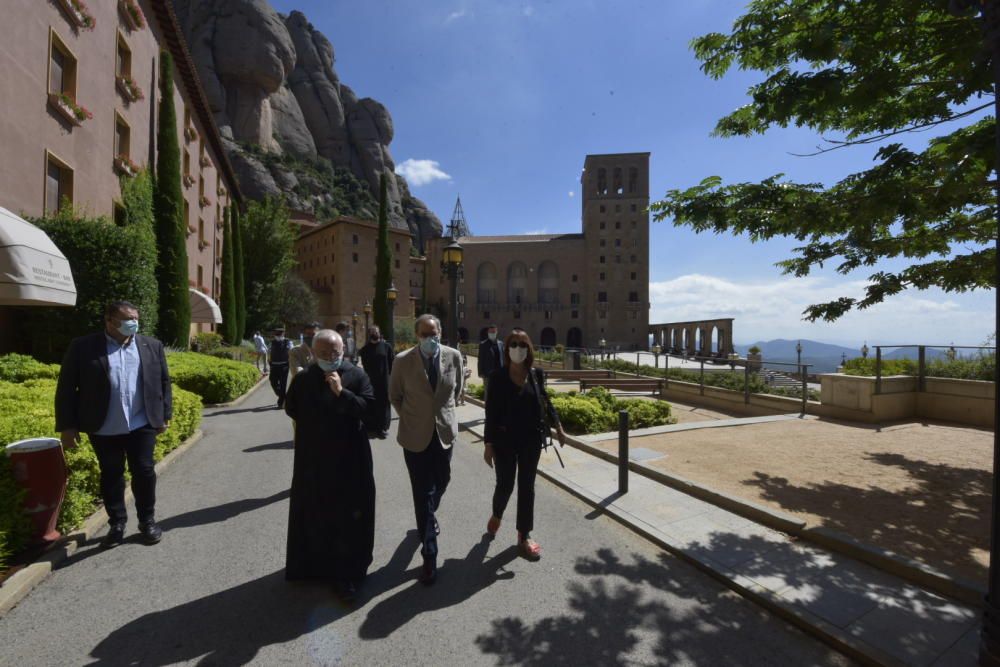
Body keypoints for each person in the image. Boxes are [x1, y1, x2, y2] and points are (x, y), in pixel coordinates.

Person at [55, 301, 173, 548]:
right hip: (104, 425)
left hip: (141, 423)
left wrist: (164, 414)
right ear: (109, 320)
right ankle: (117, 524)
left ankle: (147, 521)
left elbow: (163, 382)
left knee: (144, 471)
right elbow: (66, 388)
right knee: (111, 475)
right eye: (127, 318)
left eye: (136, 318)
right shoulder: (83, 347)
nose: (134, 323)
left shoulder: (151, 346)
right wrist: (67, 426)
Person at [284, 329, 376, 601]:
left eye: (335, 353)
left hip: (351, 459)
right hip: (314, 459)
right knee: (315, 511)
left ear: (343, 351)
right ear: (313, 353)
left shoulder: (357, 376)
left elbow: (369, 409)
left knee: (348, 517)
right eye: (324, 353)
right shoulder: (303, 379)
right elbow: (292, 409)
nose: (330, 357)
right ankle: (313, 568)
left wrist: (341, 393)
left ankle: (347, 575)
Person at [388, 314, 464, 585]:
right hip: (414, 435)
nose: (430, 339)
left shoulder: (454, 356)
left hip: (443, 433)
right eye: (424, 334)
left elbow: (456, 393)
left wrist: (442, 416)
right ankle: (429, 556)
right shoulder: (402, 361)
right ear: (416, 335)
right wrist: (412, 416)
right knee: (422, 493)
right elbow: (394, 396)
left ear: (440, 332)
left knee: (442, 481)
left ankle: (428, 514)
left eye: (434, 333)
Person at [483, 328, 565, 561]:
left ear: (528, 349)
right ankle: (497, 513)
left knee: (527, 487)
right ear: (507, 348)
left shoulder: (536, 374)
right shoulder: (498, 377)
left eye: (522, 344)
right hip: (504, 441)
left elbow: (546, 402)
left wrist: (558, 426)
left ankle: (524, 535)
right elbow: (491, 413)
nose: (518, 348)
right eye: (514, 344)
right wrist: (488, 444)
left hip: (531, 440)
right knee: (505, 485)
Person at [358, 325, 394, 438]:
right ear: (369, 334)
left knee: (383, 404)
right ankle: (372, 426)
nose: (374, 333)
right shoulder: (364, 350)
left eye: (376, 331)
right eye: (372, 332)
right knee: (372, 404)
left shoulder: (387, 347)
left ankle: (382, 428)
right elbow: (363, 365)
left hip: (384, 381)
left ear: (379, 333)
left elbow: (392, 363)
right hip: (370, 382)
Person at [478, 324, 503, 400]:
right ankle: (487, 410)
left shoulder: (501, 344)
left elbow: (503, 358)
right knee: (488, 393)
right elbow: (480, 359)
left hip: (499, 373)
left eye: (494, 332)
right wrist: (480, 373)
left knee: (499, 393)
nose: (492, 333)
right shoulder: (483, 344)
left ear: (497, 332)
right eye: (490, 332)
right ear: (488, 333)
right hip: (488, 374)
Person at [269, 327, 293, 408]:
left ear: (283, 334)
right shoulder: (272, 342)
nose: (278, 335)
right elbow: (269, 352)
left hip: (284, 366)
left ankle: (281, 402)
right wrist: (269, 361)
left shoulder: (288, 342)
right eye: (277, 334)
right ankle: (283, 396)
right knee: (273, 381)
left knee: (283, 384)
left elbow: (292, 351)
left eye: (280, 334)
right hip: (274, 365)